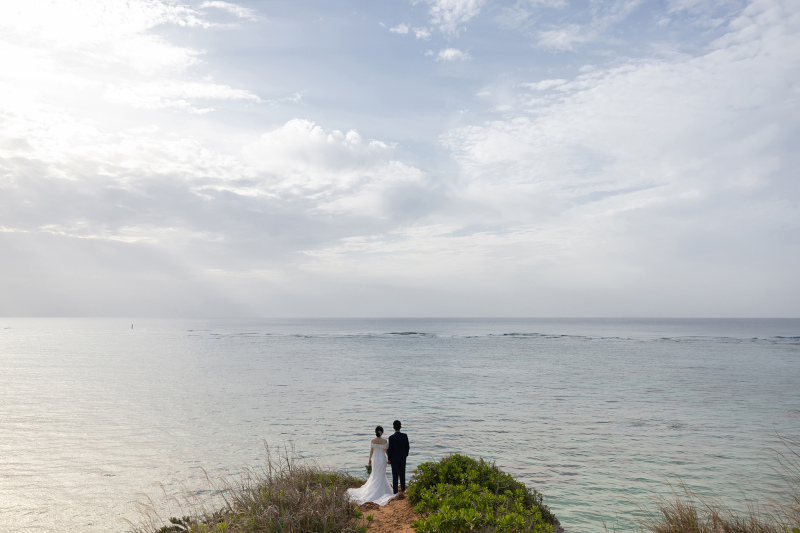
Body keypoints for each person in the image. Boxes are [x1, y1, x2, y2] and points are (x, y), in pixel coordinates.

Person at [346, 425, 396, 506]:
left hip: (375, 460)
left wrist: (369, 461)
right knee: (381, 475)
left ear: (375, 432)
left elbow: (371, 451)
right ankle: (381, 491)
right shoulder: (384, 441)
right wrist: (389, 459)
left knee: (375, 475)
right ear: (382, 432)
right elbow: (386, 452)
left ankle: (374, 490)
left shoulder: (372, 440)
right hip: (382, 460)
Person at [387, 420, 410, 494]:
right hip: (402, 457)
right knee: (402, 474)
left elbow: (390, 449)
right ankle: (403, 490)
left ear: (393, 427)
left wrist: (389, 459)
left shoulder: (391, 438)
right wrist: (405, 455)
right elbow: (407, 447)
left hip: (394, 458)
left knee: (395, 475)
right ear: (400, 427)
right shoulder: (404, 436)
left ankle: (395, 491)